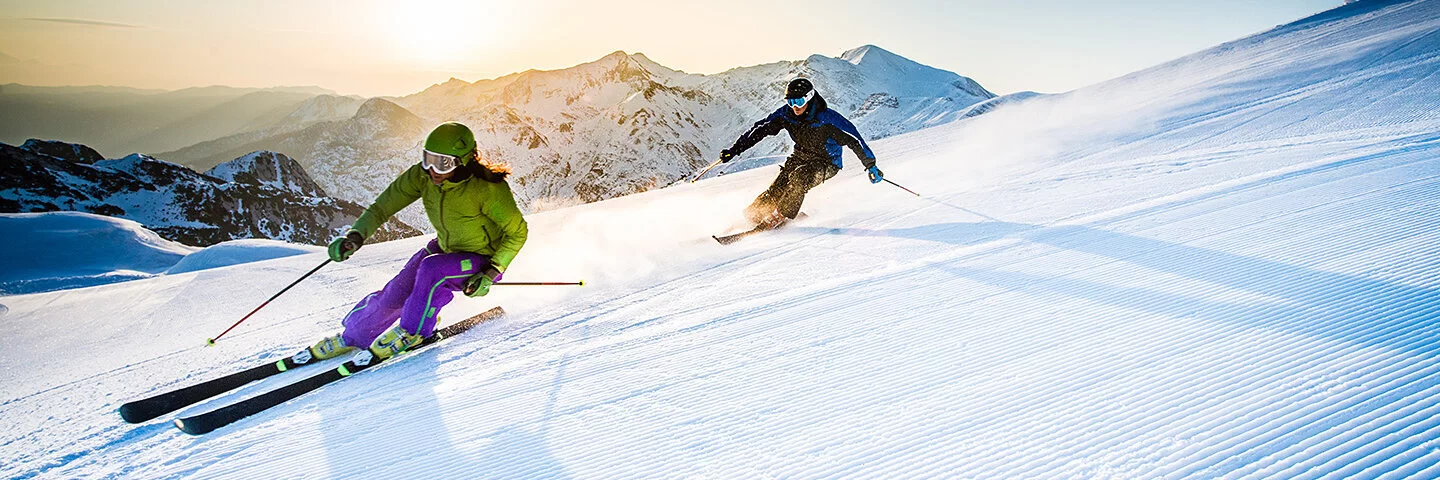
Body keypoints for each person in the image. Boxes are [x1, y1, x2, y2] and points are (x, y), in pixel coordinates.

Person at [310, 122, 528, 361]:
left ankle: (415, 331)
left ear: (463, 161)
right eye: (428, 159)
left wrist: (492, 271)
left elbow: (517, 232)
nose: (432, 169)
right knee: (397, 291)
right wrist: (355, 235)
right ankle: (354, 335)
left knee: (432, 269)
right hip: (446, 248)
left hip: (482, 259)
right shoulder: (421, 176)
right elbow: (383, 207)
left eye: (442, 162)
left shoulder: (488, 189)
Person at [717, 77, 883, 227]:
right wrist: (734, 150)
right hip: (800, 157)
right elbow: (759, 130)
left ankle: (781, 215)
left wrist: (871, 165)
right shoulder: (786, 114)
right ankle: (754, 215)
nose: (795, 107)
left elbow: (855, 140)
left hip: (827, 162)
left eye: (799, 101)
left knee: (800, 177)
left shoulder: (828, 119)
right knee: (778, 187)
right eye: (791, 102)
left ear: (809, 97)